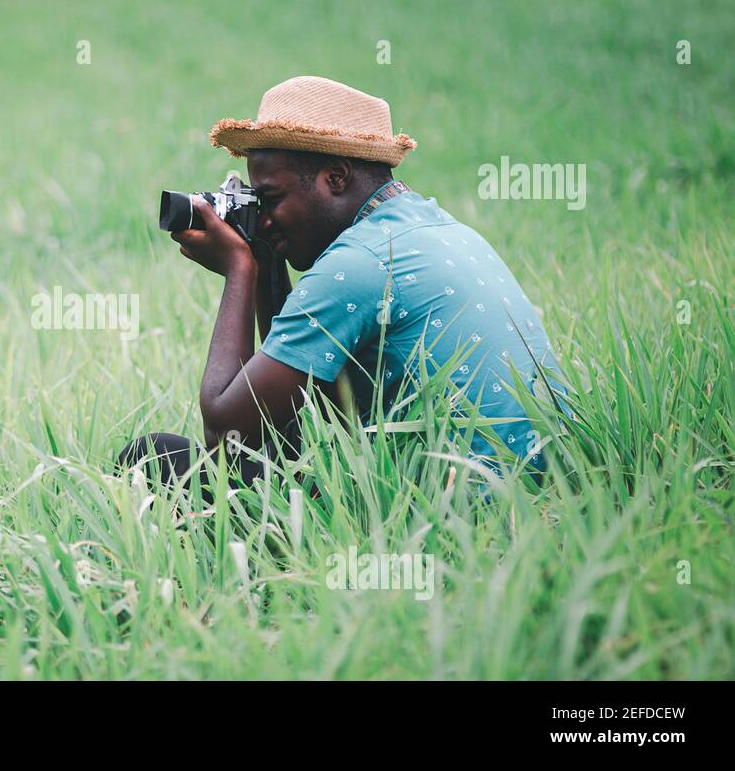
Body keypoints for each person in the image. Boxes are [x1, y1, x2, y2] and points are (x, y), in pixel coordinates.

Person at [119, 76, 565, 494]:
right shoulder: (439, 230)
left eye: (271, 199)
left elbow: (227, 432)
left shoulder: (355, 266)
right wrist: (267, 261)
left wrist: (240, 268)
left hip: (447, 512)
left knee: (153, 458)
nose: (266, 218)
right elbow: (305, 415)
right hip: (543, 491)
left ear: (335, 177)